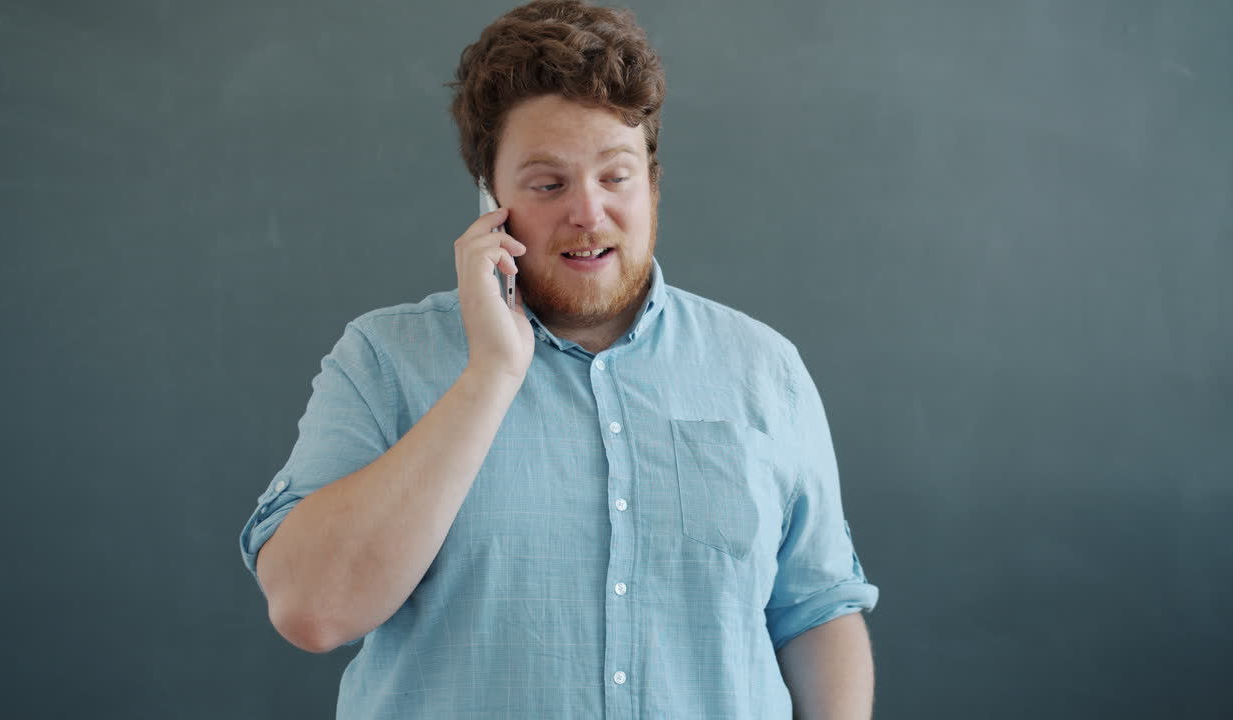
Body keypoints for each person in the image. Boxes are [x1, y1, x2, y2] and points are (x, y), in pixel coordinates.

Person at [239, 1, 879, 716]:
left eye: (615, 176)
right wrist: (490, 376)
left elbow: (817, 612)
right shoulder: (384, 361)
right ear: (491, 199)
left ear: (653, 181)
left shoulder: (766, 370)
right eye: (548, 183)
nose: (588, 212)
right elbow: (312, 610)